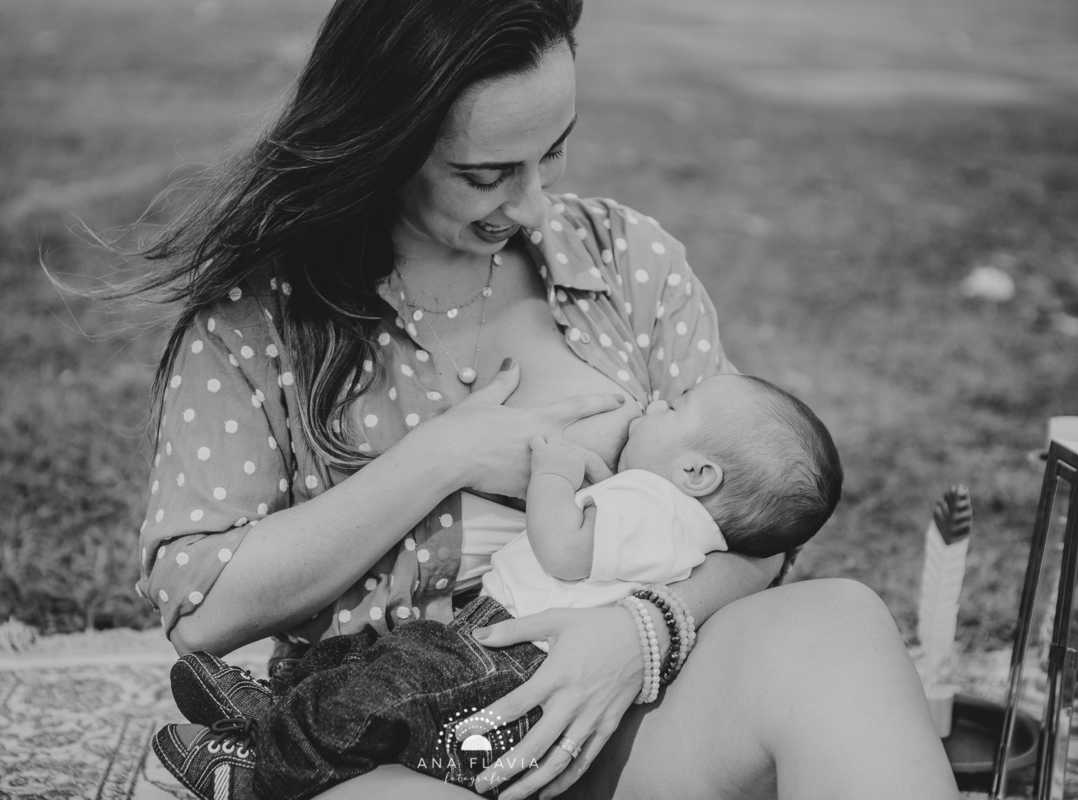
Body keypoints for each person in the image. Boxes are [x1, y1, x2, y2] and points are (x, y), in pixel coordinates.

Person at [131, 0, 960, 798]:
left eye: (554, 151)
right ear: (383, 144)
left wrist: (646, 632)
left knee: (839, 624)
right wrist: (443, 455)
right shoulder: (258, 322)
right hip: (390, 747)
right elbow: (200, 606)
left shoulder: (626, 260)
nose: (533, 206)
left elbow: (758, 520)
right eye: (486, 175)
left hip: (632, 719)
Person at [150, 373, 845, 800]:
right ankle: (278, 708)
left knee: (383, 696)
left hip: (510, 661)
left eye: (676, 407)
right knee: (376, 666)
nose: (657, 402)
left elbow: (564, 550)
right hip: (495, 642)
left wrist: (553, 472)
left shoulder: (653, 505)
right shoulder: (678, 516)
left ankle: (262, 770)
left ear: (698, 474)